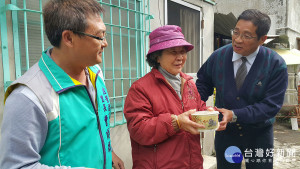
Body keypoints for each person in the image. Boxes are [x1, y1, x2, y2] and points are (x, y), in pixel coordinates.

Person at [0, 0, 124, 169]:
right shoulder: (28, 97)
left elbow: (95, 127)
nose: (105, 43)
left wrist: (108, 153)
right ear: (69, 38)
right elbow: (16, 166)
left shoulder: (95, 73)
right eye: (99, 36)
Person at [196, 9, 288, 169]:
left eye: (246, 36)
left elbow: (271, 106)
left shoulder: (275, 65)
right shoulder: (218, 57)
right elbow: (203, 83)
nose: (237, 40)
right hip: (227, 135)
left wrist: (235, 115)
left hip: (259, 135)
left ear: (262, 39)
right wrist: (197, 106)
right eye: (235, 32)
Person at [124, 25, 212, 169]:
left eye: (183, 52)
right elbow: (138, 130)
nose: (180, 57)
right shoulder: (140, 88)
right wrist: (176, 122)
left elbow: (198, 109)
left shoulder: (189, 83)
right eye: (173, 52)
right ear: (157, 57)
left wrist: (210, 113)